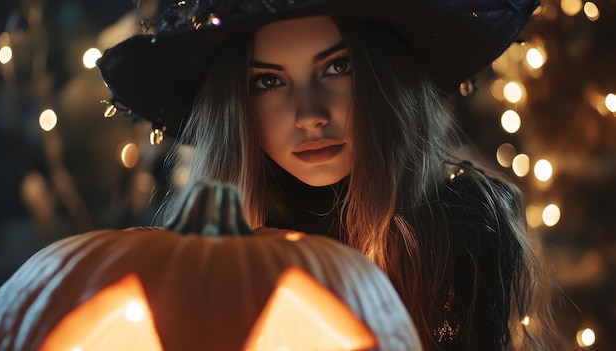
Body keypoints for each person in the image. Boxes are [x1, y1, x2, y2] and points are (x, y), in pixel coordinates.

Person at [97, 0, 558, 349]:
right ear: (235, 106)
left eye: (337, 67)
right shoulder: (200, 259)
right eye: (268, 81)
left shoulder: (468, 228)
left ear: (387, 78)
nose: (309, 114)